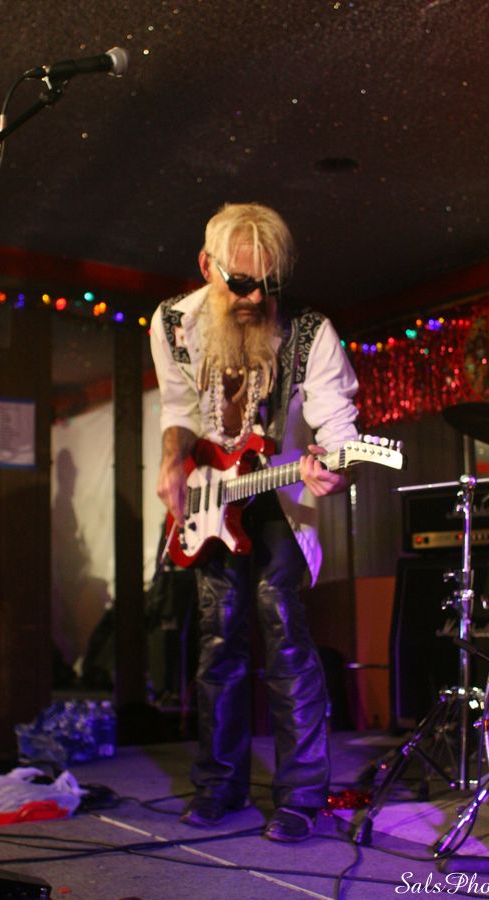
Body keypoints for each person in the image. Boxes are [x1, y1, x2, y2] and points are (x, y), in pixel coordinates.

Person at [150, 202, 358, 842]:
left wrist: (336, 467)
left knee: (283, 628)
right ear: (206, 265)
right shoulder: (173, 323)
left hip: (279, 493)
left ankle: (302, 796)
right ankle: (219, 785)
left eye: (268, 285)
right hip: (213, 497)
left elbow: (338, 427)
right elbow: (178, 408)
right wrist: (172, 462)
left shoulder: (310, 332)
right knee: (219, 638)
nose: (254, 299)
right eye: (240, 283)